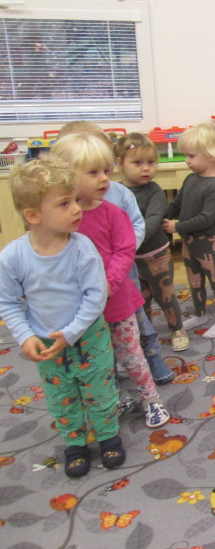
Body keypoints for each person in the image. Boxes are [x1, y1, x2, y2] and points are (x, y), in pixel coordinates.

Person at [0, 156, 124, 477]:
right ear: (33, 215)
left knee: (100, 390)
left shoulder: (82, 248)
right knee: (61, 397)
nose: (77, 209)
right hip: (47, 345)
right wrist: (26, 336)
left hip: (89, 338)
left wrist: (71, 333)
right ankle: (75, 444)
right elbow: (8, 302)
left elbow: (95, 297)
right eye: (65, 204)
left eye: (76, 200)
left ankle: (108, 436)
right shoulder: (13, 256)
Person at [51, 133, 170, 429]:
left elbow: (125, 250)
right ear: (67, 176)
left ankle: (151, 398)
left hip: (115, 301)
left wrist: (107, 285)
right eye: (93, 172)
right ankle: (111, 400)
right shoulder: (61, 219)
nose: (104, 178)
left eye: (106, 170)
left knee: (131, 354)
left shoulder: (113, 213)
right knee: (96, 359)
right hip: (80, 309)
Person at [115, 132, 189, 351]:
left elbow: (154, 220)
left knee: (165, 296)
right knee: (141, 298)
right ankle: (145, 333)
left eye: (150, 162)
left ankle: (177, 329)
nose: (146, 168)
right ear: (120, 163)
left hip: (156, 255)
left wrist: (127, 241)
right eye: (137, 163)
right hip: (131, 258)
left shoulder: (154, 191)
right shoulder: (116, 192)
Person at [162, 122, 215, 337]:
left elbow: (206, 219)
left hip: (208, 244)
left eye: (191, 156)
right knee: (194, 281)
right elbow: (177, 204)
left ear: (210, 155)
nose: (186, 160)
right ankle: (199, 314)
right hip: (189, 244)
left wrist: (177, 226)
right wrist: (162, 216)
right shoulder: (191, 178)